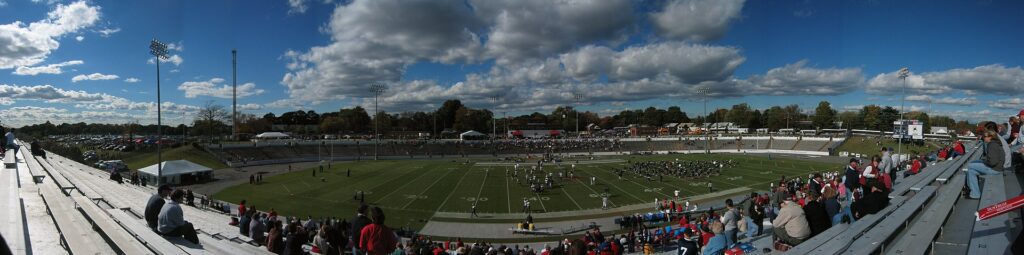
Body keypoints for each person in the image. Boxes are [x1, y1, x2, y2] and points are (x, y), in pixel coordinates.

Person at [966, 130, 1006, 199]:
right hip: (997, 167)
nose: (983, 138)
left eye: (985, 136)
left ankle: (972, 191)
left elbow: (993, 162)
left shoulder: (992, 145)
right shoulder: (994, 143)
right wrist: (984, 161)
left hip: (994, 169)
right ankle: (975, 194)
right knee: (971, 171)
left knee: (970, 165)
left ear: (990, 137)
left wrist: (984, 162)